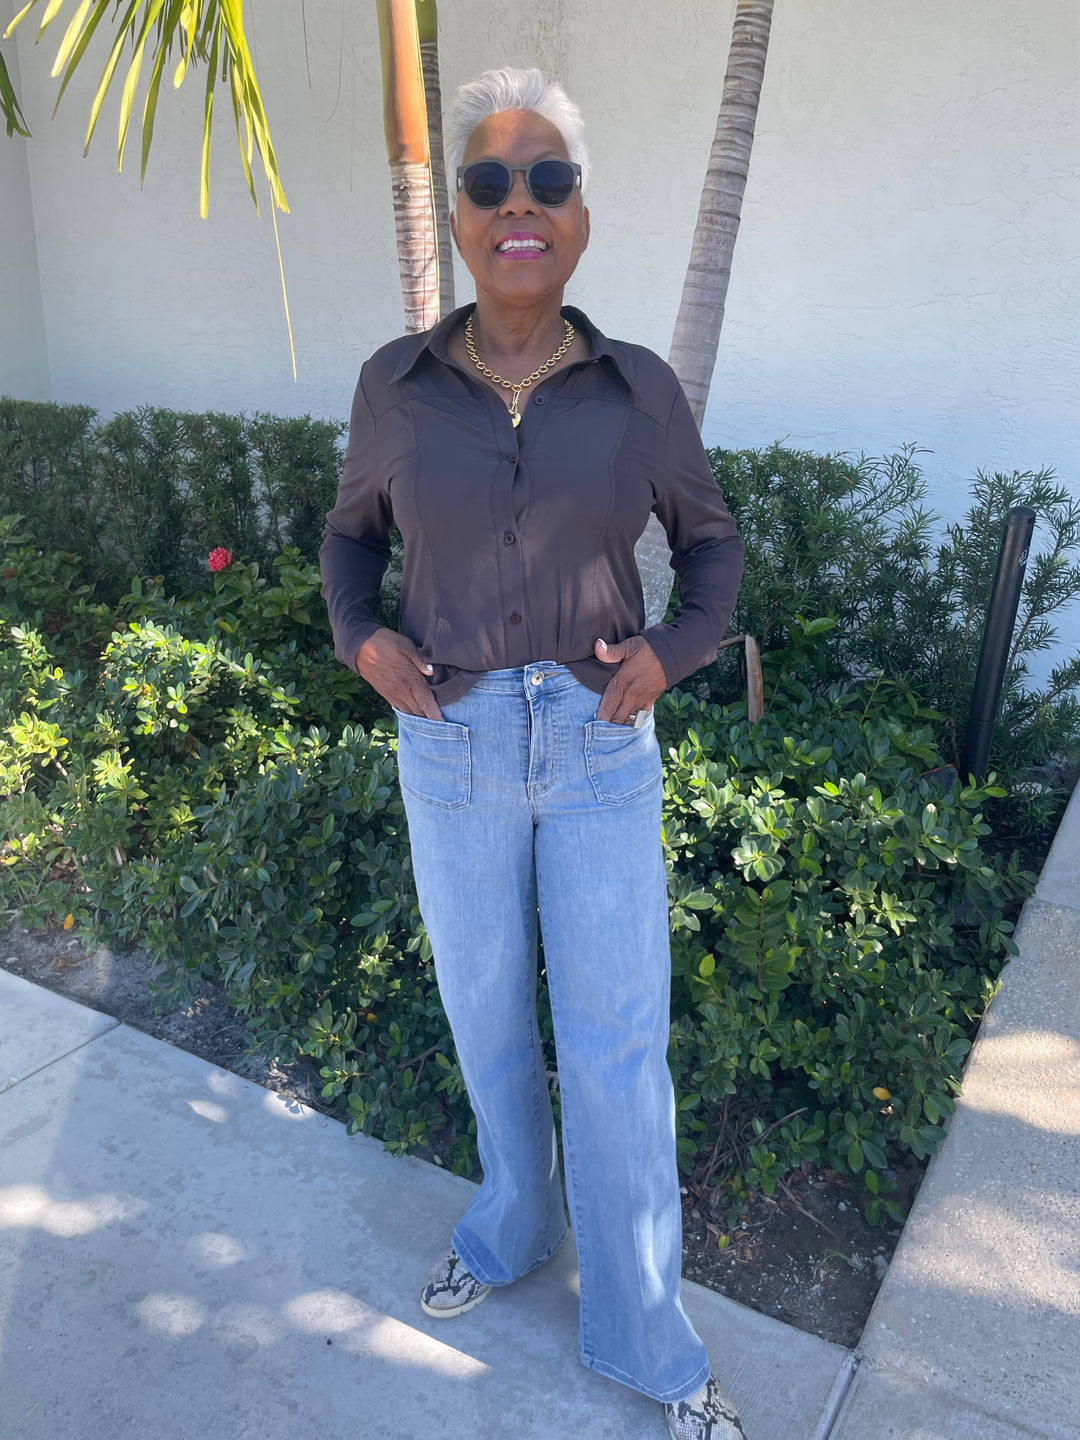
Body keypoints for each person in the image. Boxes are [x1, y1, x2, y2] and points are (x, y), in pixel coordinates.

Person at [319, 66, 747, 1440]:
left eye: (547, 178)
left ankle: (644, 1340)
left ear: (579, 215)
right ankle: (508, 1230)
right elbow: (351, 538)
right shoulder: (397, 387)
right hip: (448, 741)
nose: (520, 204)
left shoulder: (634, 392)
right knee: (487, 1012)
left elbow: (714, 545)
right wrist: (358, 637)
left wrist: (669, 654)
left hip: (596, 736)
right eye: (491, 181)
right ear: (456, 214)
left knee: (618, 1042)